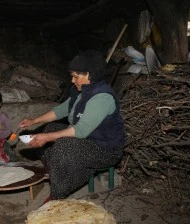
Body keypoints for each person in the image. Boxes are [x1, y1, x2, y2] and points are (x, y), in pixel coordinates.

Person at [19, 49, 125, 200]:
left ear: (89, 74)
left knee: (63, 145)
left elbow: (80, 131)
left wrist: (47, 137)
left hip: (105, 149)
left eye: (76, 77)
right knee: (50, 128)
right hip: (87, 140)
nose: (72, 81)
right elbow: (60, 111)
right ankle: (58, 173)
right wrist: (34, 121)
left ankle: (58, 193)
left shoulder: (101, 97)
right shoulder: (81, 91)